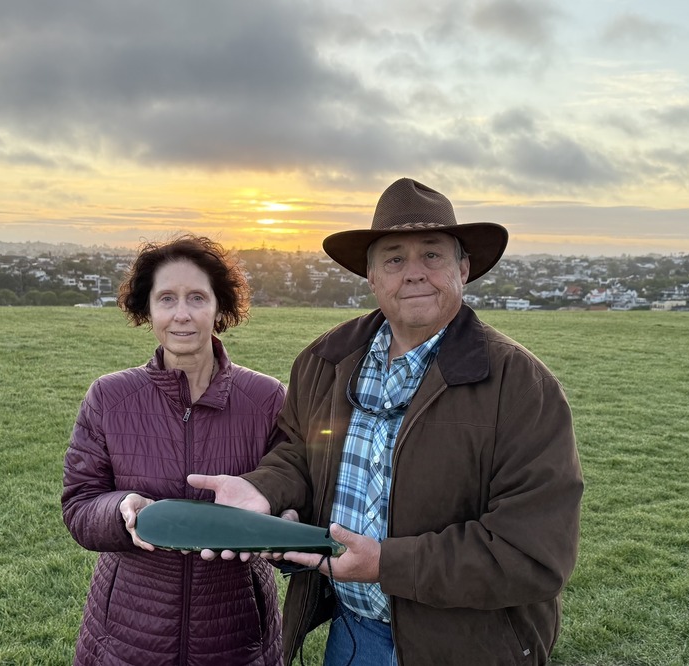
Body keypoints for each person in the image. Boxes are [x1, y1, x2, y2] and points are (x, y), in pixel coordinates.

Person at [189, 178, 584, 666]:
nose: (413, 273)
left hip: (468, 644)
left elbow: (532, 554)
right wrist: (268, 492)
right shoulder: (325, 360)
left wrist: (385, 565)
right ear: (371, 277)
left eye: (433, 255)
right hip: (355, 636)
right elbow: (298, 451)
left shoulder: (521, 386)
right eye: (394, 258)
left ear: (464, 268)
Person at [62, 234, 286, 666]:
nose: (181, 314)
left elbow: (294, 496)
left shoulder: (268, 399)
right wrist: (121, 510)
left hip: (237, 635)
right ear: (147, 310)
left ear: (219, 308)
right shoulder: (109, 397)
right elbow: (79, 506)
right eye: (166, 299)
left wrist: (280, 520)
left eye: (197, 298)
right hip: (127, 634)